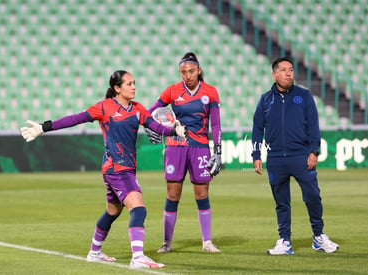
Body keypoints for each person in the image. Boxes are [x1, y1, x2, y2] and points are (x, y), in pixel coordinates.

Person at [20, 70, 188, 269]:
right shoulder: (104, 107)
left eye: (134, 83)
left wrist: (173, 130)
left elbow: (155, 127)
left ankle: (94, 252)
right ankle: (138, 257)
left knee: (112, 211)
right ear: (117, 88)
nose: (134, 87)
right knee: (139, 209)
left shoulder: (138, 109)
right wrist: (43, 127)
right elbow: (76, 118)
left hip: (121, 169)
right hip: (117, 169)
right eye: (129, 84)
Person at [251, 56, 339, 255]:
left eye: (291, 69)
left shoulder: (304, 96)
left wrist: (314, 151)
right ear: (274, 74)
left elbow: (314, 125)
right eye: (283, 70)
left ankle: (318, 236)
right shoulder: (265, 99)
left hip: (301, 156)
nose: (289, 73)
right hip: (275, 159)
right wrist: (256, 154)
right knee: (281, 202)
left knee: (313, 196)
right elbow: (257, 129)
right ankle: (284, 241)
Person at [145, 52, 223, 253]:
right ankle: (167, 243)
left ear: (199, 70)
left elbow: (215, 123)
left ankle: (207, 242)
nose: (188, 76)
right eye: (183, 72)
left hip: (200, 148)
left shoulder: (210, 92)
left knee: (202, 193)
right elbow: (151, 112)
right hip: (175, 146)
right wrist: (154, 128)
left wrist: (218, 150)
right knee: (173, 194)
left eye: (191, 71)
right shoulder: (171, 91)